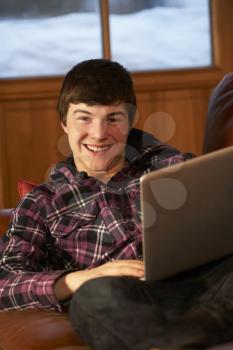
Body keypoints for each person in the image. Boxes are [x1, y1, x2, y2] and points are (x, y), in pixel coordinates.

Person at [0, 59, 233, 350]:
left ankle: (183, 337)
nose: (99, 134)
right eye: (84, 118)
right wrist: (82, 278)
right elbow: (5, 283)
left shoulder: (176, 166)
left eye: (113, 118)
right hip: (127, 300)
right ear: (64, 124)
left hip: (203, 285)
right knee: (93, 296)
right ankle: (184, 338)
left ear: (130, 121)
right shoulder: (43, 202)